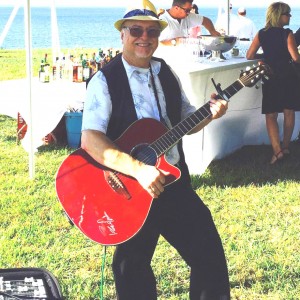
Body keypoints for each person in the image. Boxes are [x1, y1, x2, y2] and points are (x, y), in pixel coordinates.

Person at [81, 0, 230, 299]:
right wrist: (139, 169)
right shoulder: (104, 80)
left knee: (210, 258)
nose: (144, 37)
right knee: (131, 270)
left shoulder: (166, 73)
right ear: (122, 35)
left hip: (173, 183)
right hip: (130, 189)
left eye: (151, 32)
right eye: (136, 30)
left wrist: (211, 113)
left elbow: (187, 120)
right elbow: (90, 139)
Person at [246, 2, 300, 164]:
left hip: (270, 76)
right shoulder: (287, 34)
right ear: (279, 15)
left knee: (271, 114)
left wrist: (264, 58)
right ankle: (285, 147)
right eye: (287, 14)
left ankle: (277, 151)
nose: (290, 17)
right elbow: (296, 58)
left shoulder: (261, 33)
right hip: (288, 76)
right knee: (288, 112)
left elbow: (249, 55)